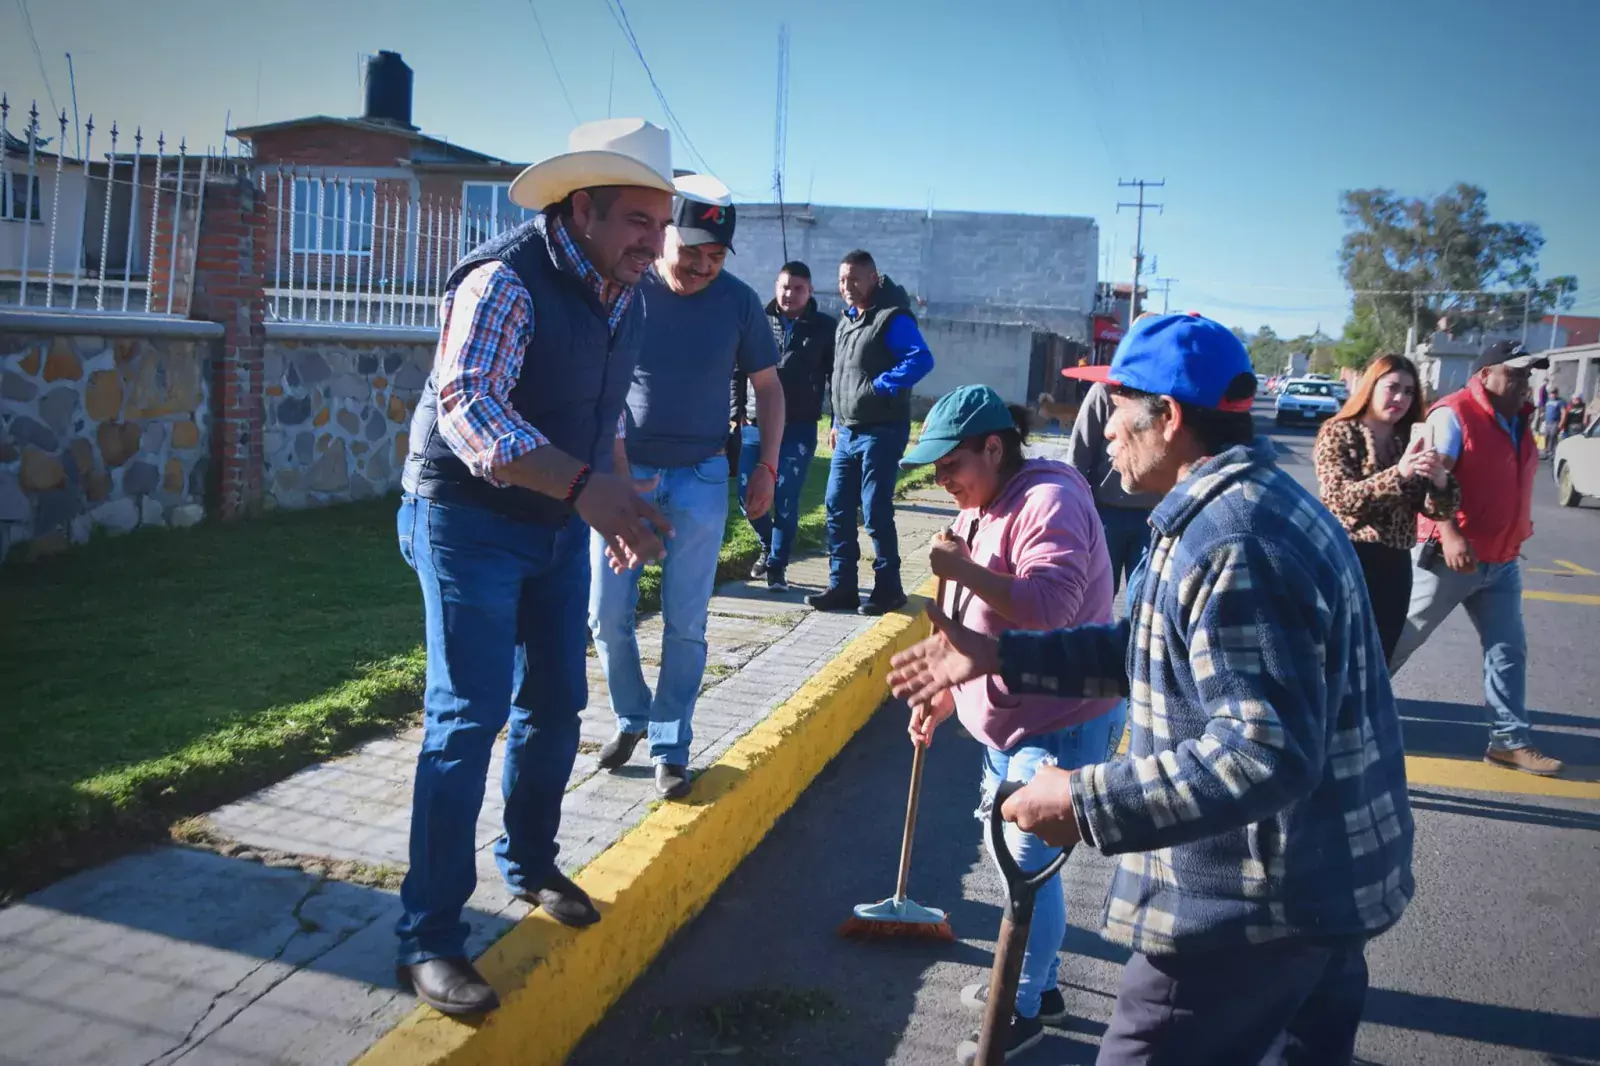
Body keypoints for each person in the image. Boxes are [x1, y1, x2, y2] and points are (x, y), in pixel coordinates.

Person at [888, 312, 1414, 1066]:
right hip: (1311, 887)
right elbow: (1142, 647)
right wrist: (997, 656)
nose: (1100, 431)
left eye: (1113, 409)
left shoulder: (1235, 540)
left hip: (1253, 909)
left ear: (1166, 418)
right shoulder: (1229, 509)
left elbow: (1262, 755)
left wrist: (1082, 799)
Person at [393, 119, 678, 1015]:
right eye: (638, 220)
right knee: (466, 717)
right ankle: (428, 937)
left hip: (555, 518)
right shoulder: (504, 278)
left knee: (556, 702)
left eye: (662, 225)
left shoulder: (624, 292)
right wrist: (586, 487)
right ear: (582, 207)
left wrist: (617, 502)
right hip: (465, 518)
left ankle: (528, 862)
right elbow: (467, 407)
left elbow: (603, 413)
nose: (654, 244)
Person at [900, 385, 1121, 1061]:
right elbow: (971, 627)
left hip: (1062, 726)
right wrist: (942, 698)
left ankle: (1019, 1008)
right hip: (1012, 728)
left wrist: (963, 566)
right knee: (1019, 866)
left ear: (994, 448)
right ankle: (1042, 985)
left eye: (950, 465)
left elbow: (1049, 608)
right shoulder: (982, 504)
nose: (941, 480)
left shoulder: (1049, 501)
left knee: (1026, 868)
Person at [589, 175, 785, 800]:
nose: (702, 266)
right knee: (605, 613)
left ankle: (671, 744)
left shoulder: (740, 302)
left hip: (702, 478)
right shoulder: (625, 290)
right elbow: (597, 381)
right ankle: (631, 718)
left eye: (716, 256)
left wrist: (767, 466)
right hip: (626, 481)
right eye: (692, 250)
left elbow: (770, 388)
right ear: (664, 233)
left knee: (686, 623)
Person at [1390, 341, 1564, 777]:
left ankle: (1508, 742)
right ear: (1486, 374)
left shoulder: (1520, 420)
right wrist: (1449, 533)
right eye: (1516, 372)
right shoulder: (1454, 415)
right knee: (1397, 641)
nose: (1525, 381)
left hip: (1501, 560)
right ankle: (1333, 717)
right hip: (1449, 556)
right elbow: (1428, 480)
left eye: (1529, 373)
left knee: (1508, 650)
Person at [806, 250, 934, 616]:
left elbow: (921, 359)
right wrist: (835, 421)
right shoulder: (846, 321)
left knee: (875, 509)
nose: (847, 286)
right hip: (847, 432)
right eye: (842, 279)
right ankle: (842, 587)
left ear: (874, 279)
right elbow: (840, 375)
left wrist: (882, 386)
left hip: (881, 430)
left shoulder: (891, 319)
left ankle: (888, 588)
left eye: (855, 279)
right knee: (836, 507)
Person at [1313, 354, 1459, 662]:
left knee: (1379, 655)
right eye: (1392, 387)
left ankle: (1365, 711)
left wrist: (1440, 481)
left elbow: (1436, 511)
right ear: (1370, 386)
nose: (1400, 398)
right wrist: (1399, 473)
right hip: (1347, 557)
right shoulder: (1337, 432)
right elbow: (1339, 499)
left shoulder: (1409, 438)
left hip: (1394, 563)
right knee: (1337, 657)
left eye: (1408, 391)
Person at [730, 260, 836, 592]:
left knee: (786, 497)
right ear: (776, 285)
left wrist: (837, 420)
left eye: (798, 288)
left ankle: (777, 564)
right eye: (785, 286)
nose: (790, 294)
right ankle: (767, 543)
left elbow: (835, 377)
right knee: (748, 496)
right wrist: (737, 412)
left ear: (810, 291)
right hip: (754, 424)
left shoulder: (824, 328)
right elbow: (736, 371)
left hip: (799, 427)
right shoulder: (757, 321)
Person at [1064, 381, 1161, 593]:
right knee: (1096, 596)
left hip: (1153, 516)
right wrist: (1075, 511)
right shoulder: (1104, 391)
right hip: (1105, 514)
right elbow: (1079, 455)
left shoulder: (1163, 391)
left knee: (1145, 598)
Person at [1541, 385, 1562, 459]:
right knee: (1546, 437)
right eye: (1551, 393)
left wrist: (1561, 423)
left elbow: (1563, 412)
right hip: (1547, 422)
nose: (1552, 394)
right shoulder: (1548, 401)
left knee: (1553, 436)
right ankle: (1545, 452)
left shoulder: (1559, 402)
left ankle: (1553, 453)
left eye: (1554, 393)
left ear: (1556, 394)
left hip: (1555, 422)